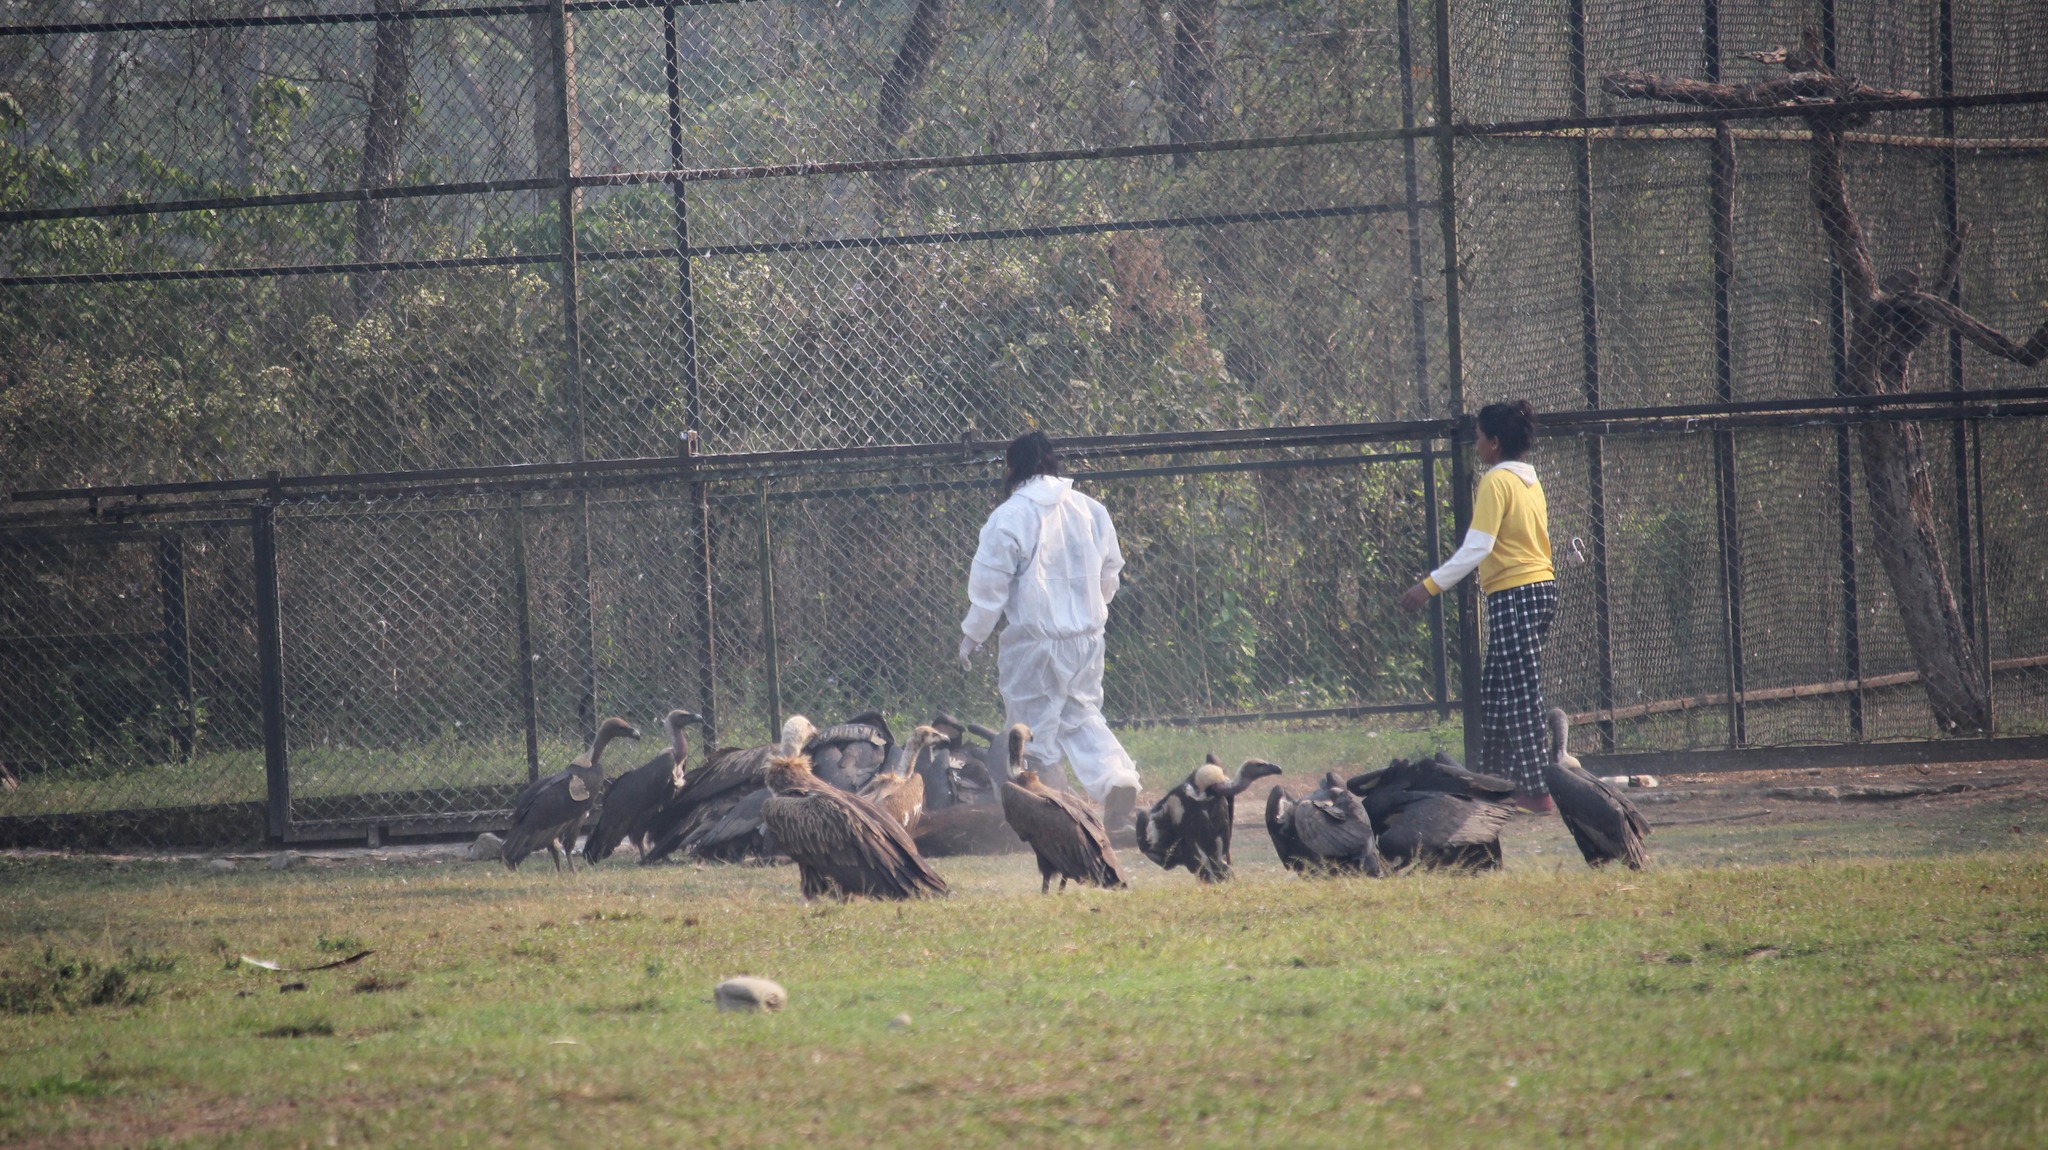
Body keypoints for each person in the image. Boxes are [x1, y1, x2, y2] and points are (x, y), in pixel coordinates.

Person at [959, 430, 1142, 829]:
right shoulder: (1090, 509)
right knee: (1082, 717)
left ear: (1012, 468)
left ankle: (1050, 810)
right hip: (1088, 639)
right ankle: (1117, 782)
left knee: (1030, 727)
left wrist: (973, 635)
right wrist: (1092, 610)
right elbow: (1110, 570)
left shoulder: (1009, 517)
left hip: (1036, 645)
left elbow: (990, 588)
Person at [1400, 401, 1558, 814]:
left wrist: (1429, 586)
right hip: (1537, 589)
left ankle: (1537, 791)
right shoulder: (1529, 480)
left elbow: (1478, 546)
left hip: (1516, 593)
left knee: (1520, 692)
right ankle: (1495, 783)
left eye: (1478, 437)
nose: (1476, 444)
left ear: (1494, 442)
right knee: (1498, 689)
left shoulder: (1496, 480)